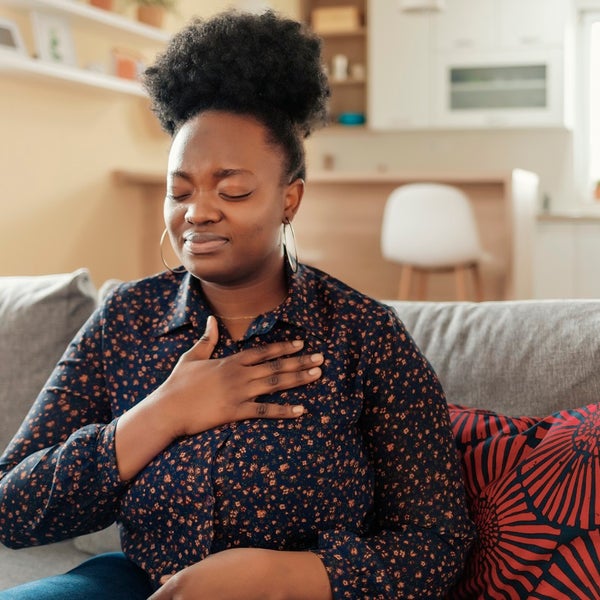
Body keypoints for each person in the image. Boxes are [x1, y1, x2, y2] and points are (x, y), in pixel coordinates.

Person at [0, 9, 475, 600]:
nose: (196, 211)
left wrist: (281, 576)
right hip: (135, 584)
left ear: (289, 199)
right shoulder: (125, 320)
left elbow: (437, 543)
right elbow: (11, 509)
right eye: (180, 191)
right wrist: (161, 414)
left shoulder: (364, 335)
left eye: (233, 190)